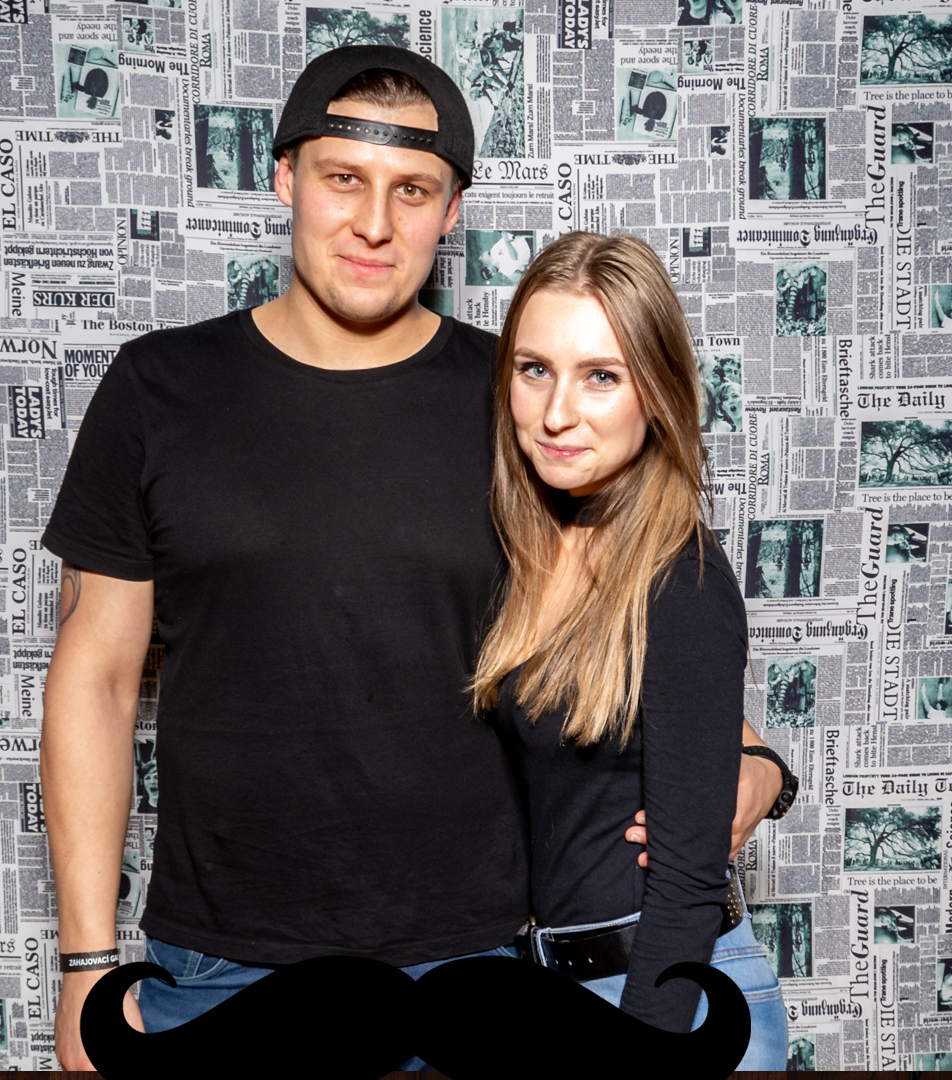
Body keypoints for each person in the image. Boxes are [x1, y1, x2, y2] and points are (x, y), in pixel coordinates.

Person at [39, 46, 786, 1071]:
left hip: (482, 964)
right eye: (344, 178)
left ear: (451, 211)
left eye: (413, 190)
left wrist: (759, 763)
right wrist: (86, 962)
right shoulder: (156, 390)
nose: (374, 223)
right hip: (222, 963)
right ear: (285, 177)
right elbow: (94, 678)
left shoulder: (524, 402)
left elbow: (629, 619)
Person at [471, 231, 790, 1058]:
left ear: (658, 391)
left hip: (664, 993)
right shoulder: (523, 550)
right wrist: (766, 764)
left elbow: (684, 884)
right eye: (534, 369)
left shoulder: (681, 581)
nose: (557, 413)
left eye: (601, 377)